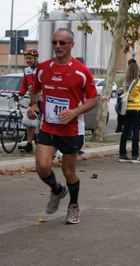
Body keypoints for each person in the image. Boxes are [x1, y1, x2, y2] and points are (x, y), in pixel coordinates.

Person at [26, 28, 98, 224]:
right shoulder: (43, 69)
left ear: (71, 45)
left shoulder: (81, 72)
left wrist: (74, 112)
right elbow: (35, 91)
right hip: (49, 127)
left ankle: (73, 205)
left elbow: (94, 99)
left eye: (62, 43)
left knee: (68, 171)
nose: (57, 46)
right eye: (54, 42)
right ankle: (57, 190)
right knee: (41, 166)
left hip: (72, 130)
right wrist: (33, 105)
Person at [118, 61, 140, 163]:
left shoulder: (125, 82)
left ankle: (122, 153)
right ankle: (135, 155)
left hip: (127, 109)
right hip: (137, 108)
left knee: (125, 131)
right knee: (136, 132)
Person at [17, 48, 40, 153]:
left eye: (30, 58)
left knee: (44, 123)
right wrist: (20, 95)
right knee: (30, 121)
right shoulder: (27, 70)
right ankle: (29, 144)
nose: (28, 61)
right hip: (32, 100)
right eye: (26, 59)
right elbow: (24, 85)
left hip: (41, 99)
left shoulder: (41, 69)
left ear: (35, 58)